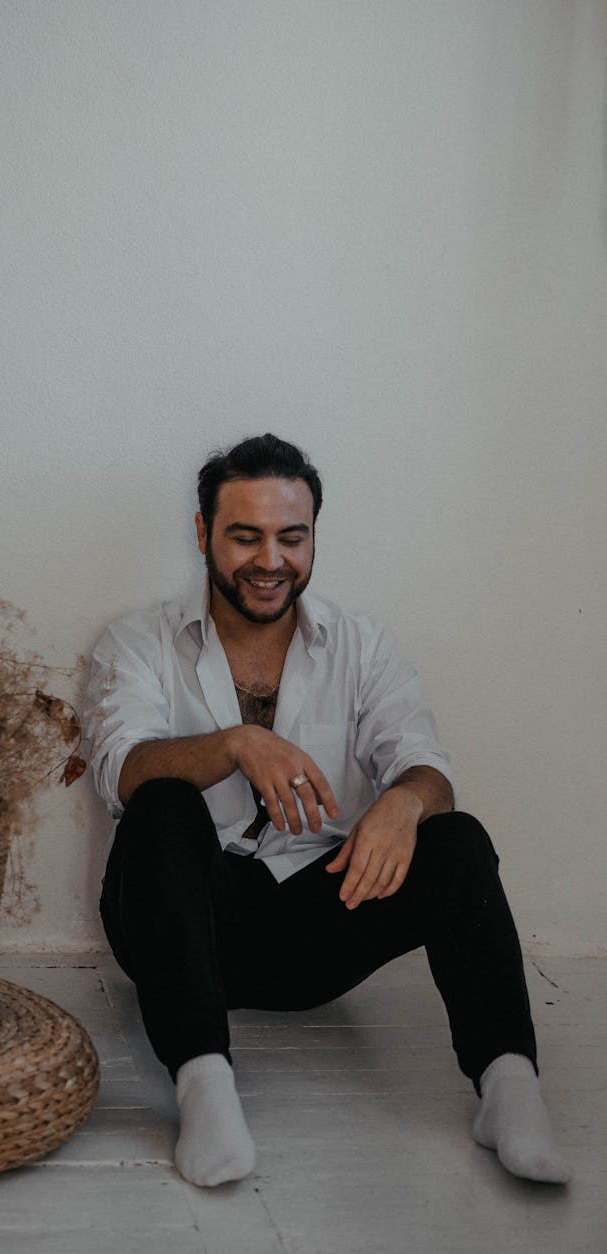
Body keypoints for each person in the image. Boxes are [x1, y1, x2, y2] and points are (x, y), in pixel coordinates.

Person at [85, 434, 570, 1189]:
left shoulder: (363, 645)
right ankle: (205, 1089)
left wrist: (406, 802)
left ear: (314, 534)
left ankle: (508, 1088)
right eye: (245, 536)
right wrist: (239, 744)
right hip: (175, 922)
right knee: (165, 804)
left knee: (456, 839)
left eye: (292, 537)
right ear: (202, 532)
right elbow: (122, 772)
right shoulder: (138, 642)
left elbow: (426, 762)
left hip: (311, 923)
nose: (270, 561)